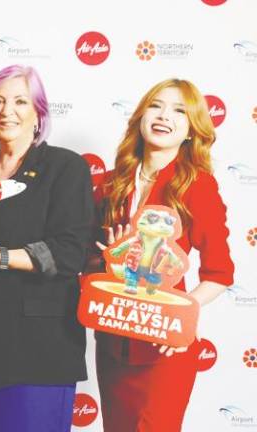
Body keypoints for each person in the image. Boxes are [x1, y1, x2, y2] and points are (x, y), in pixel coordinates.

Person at [0, 64, 93, 432]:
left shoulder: (65, 166)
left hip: (39, 348)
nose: (7, 111)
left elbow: (71, 251)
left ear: (39, 113)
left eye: (21, 101)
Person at [91, 78, 234, 432]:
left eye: (179, 111)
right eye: (156, 105)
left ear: (191, 130)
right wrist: (107, 257)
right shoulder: (109, 184)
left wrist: (177, 319)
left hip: (165, 346)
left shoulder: (197, 185)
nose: (164, 115)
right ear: (141, 115)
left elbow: (220, 274)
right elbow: (88, 261)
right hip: (113, 342)